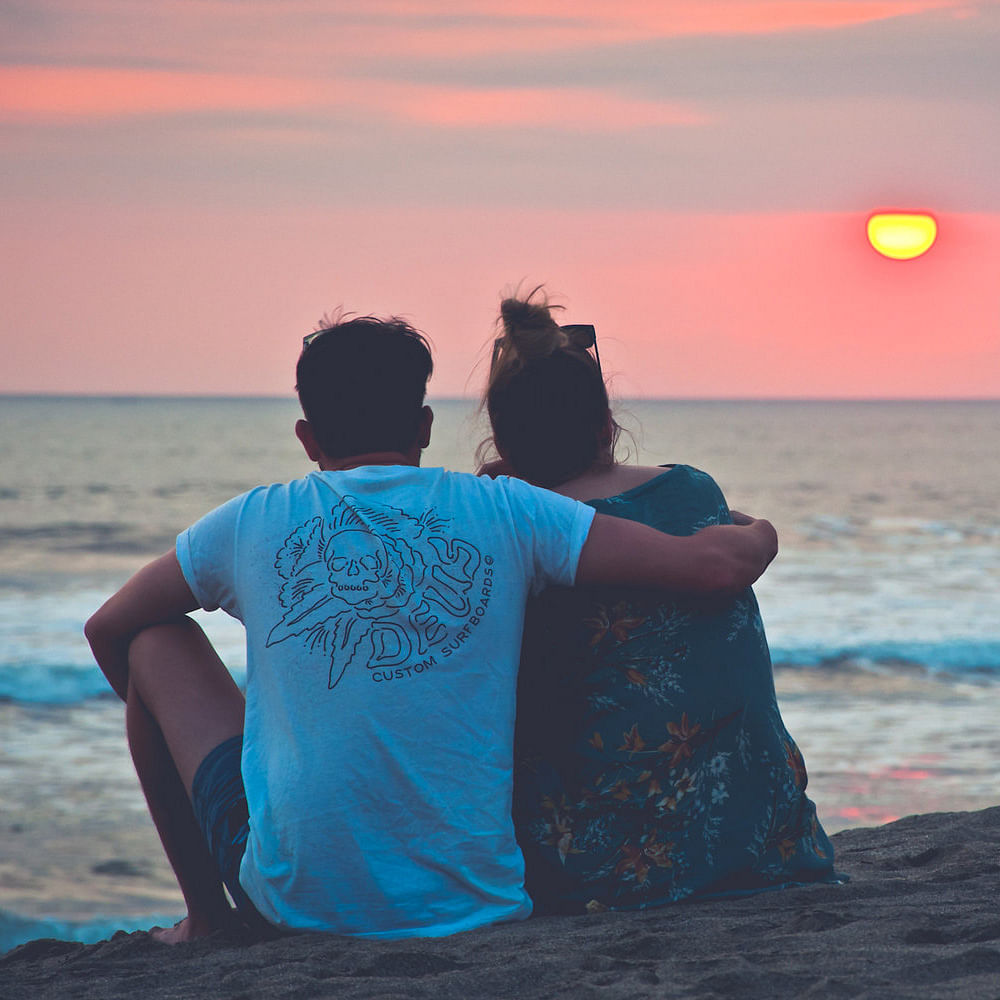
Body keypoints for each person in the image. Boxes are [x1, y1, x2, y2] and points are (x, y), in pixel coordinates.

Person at [85, 313, 779, 944]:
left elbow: (106, 629)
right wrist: (756, 529)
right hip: (478, 903)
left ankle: (205, 919)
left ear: (306, 437)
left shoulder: (245, 523)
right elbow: (715, 568)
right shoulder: (510, 511)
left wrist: (245, 759)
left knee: (152, 640)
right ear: (421, 427)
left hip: (291, 902)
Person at [479, 290, 837, 915]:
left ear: (502, 436)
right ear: (606, 423)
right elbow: (735, 535)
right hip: (766, 844)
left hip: (593, 869)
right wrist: (760, 531)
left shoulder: (507, 525)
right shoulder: (689, 491)